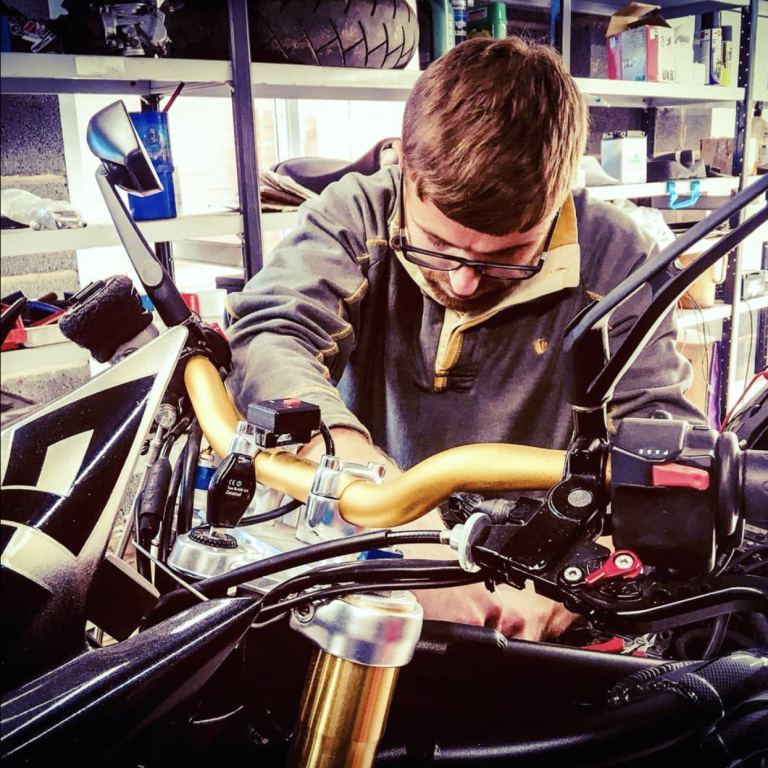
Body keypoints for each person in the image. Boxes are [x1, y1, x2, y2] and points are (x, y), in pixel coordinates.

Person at [226, 36, 704, 640]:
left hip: (539, 581)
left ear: (559, 198)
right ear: (407, 170)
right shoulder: (358, 214)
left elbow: (659, 436)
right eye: (436, 243)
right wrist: (372, 486)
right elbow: (274, 333)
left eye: (507, 257)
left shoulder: (619, 259)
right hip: (367, 561)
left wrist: (586, 578)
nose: (464, 278)